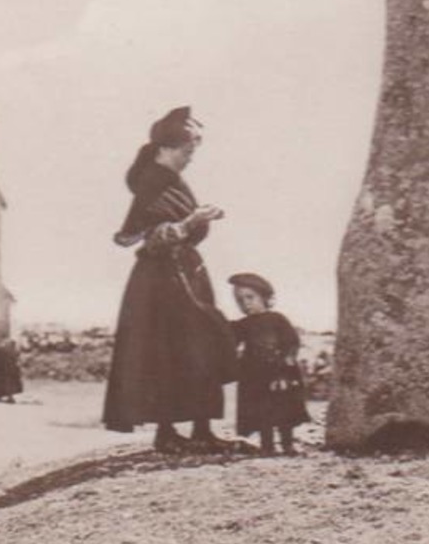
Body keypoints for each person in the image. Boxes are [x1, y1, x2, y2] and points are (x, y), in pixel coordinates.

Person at [103, 107, 238, 453]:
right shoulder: (152, 182)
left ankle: (202, 428)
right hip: (161, 280)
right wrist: (193, 220)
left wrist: (198, 219)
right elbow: (151, 238)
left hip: (185, 274)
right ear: (165, 149)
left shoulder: (174, 182)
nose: (190, 158)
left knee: (201, 344)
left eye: (193, 151)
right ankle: (167, 431)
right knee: (167, 349)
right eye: (186, 151)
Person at [228, 272, 310, 456]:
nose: (246, 303)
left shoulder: (277, 319)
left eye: (250, 297)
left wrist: (287, 362)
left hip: (280, 371)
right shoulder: (243, 324)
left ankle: (287, 444)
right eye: (239, 300)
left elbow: (291, 341)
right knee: (262, 411)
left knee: (284, 409)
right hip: (255, 375)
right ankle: (267, 446)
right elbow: (229, 339)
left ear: (265, 297)